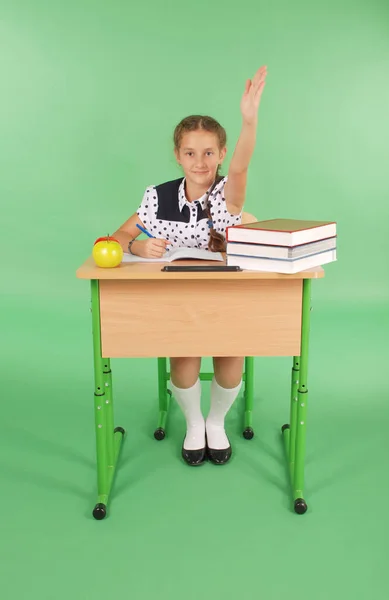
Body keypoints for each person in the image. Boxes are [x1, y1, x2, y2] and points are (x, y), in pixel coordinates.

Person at [112, 65, 267, 466]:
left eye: (209, 152)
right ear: (177, 155)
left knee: (231, 363)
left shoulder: (226, 196)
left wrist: (249, 121)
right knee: (184, 361)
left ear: (221, 154)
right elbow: (114, 239)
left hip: (227, 299)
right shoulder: (157, 197)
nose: (200, 162)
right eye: (190, 153)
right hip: (178, 302)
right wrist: (137, 246)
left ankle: (216, 422)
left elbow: (242, 168)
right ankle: (194, 423)